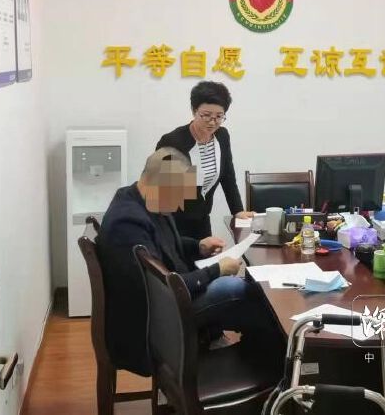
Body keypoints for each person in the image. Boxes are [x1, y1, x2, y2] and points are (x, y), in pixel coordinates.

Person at [96, 147, 282, 376]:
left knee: (252, 296)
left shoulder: (139, 199)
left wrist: (197, 246)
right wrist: (216, 270)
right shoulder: (128, 223)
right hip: (159, 316)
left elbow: (162, 245)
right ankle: (266, 367)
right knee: (241, 291)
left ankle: (260, 358)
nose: (180, 205)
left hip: (170, 298)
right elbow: (161, 285)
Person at [156, 81, 253, 240]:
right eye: (206, 115)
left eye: (219, 116)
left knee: (208, 255)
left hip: (202, 220)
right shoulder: (173, 142)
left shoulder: (222, 136)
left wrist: (238, 211)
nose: (212, 122)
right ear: (194, 111)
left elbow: (228, 177)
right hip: (174, 225)